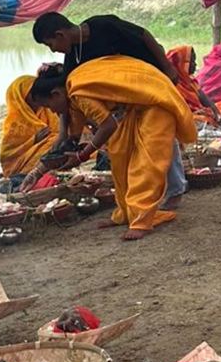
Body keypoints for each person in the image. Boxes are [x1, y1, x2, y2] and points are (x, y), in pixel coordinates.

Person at [28, 58, 197, 241]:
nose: (53, 112)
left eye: (48, 106)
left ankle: (141, 221)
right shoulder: (72, 98)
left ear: (56, 94)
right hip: (135, 107)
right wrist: (47, 166)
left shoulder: (77, 93)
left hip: (156, 101)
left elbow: (108, 126)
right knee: (119, 158)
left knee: (146, 163)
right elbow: (73, 137)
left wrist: (83, 155)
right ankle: (126, 212)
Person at [31, 12, 187, 209]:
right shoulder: (72, 58)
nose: (53, 51)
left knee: (159, 138)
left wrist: (167, 68)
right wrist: (65, 135)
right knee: (124, 148)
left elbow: (144, 35)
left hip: (150, 86)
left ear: (60, 34)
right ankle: (138, 200)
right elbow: (69, 101)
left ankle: (174, 191)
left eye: (50, 44)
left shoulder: (102, 26)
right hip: (126, 101)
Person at [0, 75, 60, 181]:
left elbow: (60, 131)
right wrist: (33, 141)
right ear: (21, 97)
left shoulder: (47, 110)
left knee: (58, 141)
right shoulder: (14, 124)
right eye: (32, 94)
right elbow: (6, 155)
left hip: (51, 152)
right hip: (22, 164)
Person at [168, 44, 221, 122]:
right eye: (191, 62)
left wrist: (217, 114)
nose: (195, 64)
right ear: (182, 64)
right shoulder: (172, 85)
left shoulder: (191, 82)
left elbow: (205, 100)